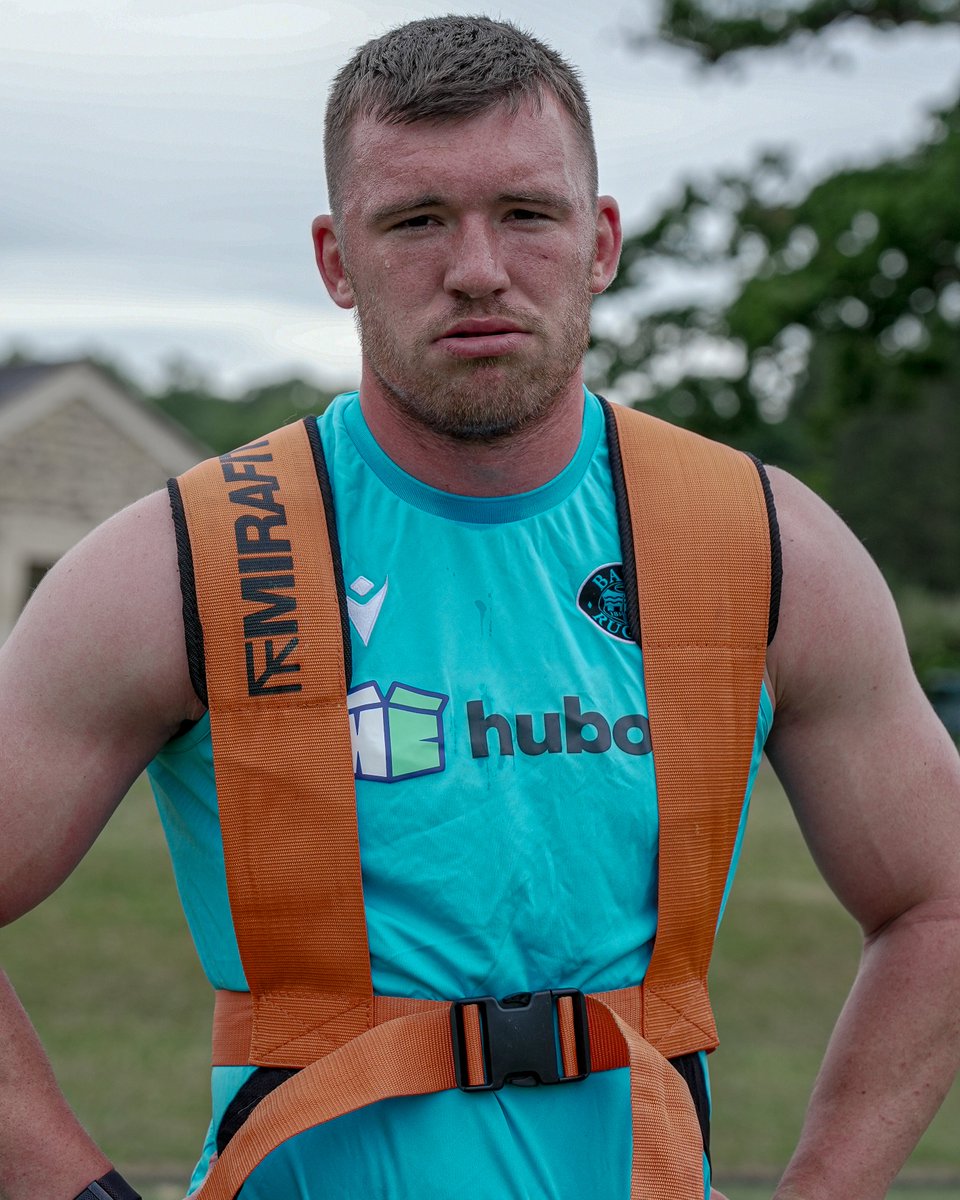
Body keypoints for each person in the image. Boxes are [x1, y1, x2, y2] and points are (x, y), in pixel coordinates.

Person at [2, 14, 960, 1200]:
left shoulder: (757, 544)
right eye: (414, 222)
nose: (477, 269)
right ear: (335, 258)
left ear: (599, 238)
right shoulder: (186, 561)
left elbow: (941, 899)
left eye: (526, 213)